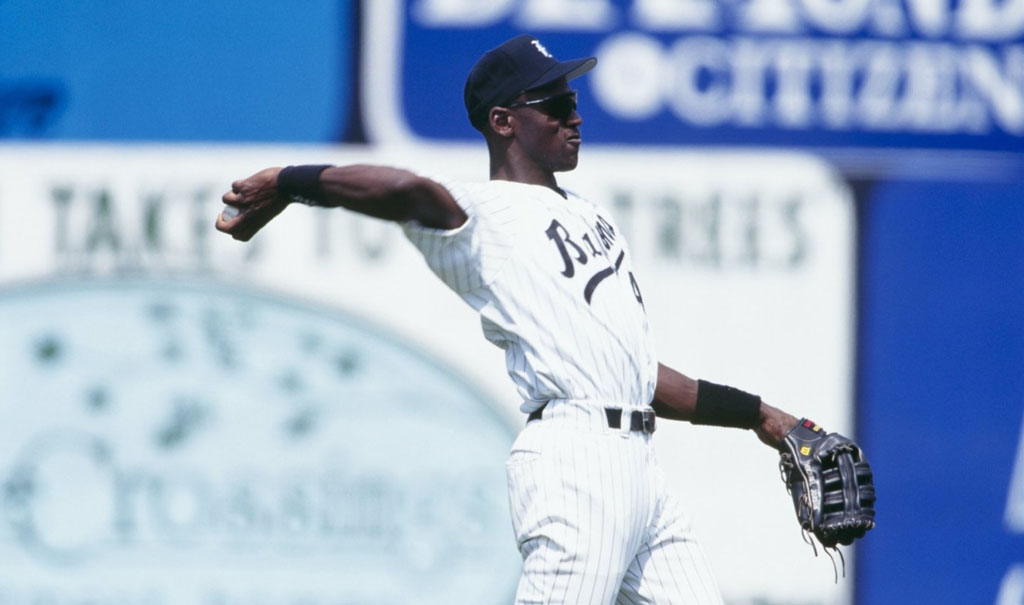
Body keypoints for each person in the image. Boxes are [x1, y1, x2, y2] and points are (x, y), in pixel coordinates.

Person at [217, 34, 803, 605]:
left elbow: (637, 377)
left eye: (573, 101)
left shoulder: (590, 217)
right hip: (578, 463)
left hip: (641, 468)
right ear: (503, 122)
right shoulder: (483, 217)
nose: (574, 116)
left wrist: (760, 415)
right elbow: (403, 188)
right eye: (555, 104)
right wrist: (291, 183)